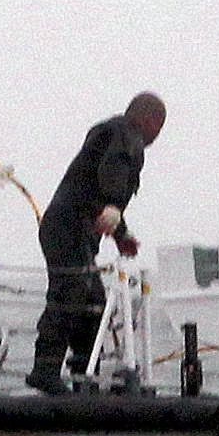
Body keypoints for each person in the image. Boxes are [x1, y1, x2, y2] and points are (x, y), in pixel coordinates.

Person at [26, 93, 164, 394]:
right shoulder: (125, 134)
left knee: (94, 304)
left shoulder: (111, 135)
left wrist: (121, 235)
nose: (157, 135)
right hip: (68, 227)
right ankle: (45, 369)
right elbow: (110, 177)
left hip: (72, 229)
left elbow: (99, 193)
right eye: (159, 126)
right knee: (70, 291)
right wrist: (115, 206)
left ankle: (83, 374)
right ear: (148, 119)